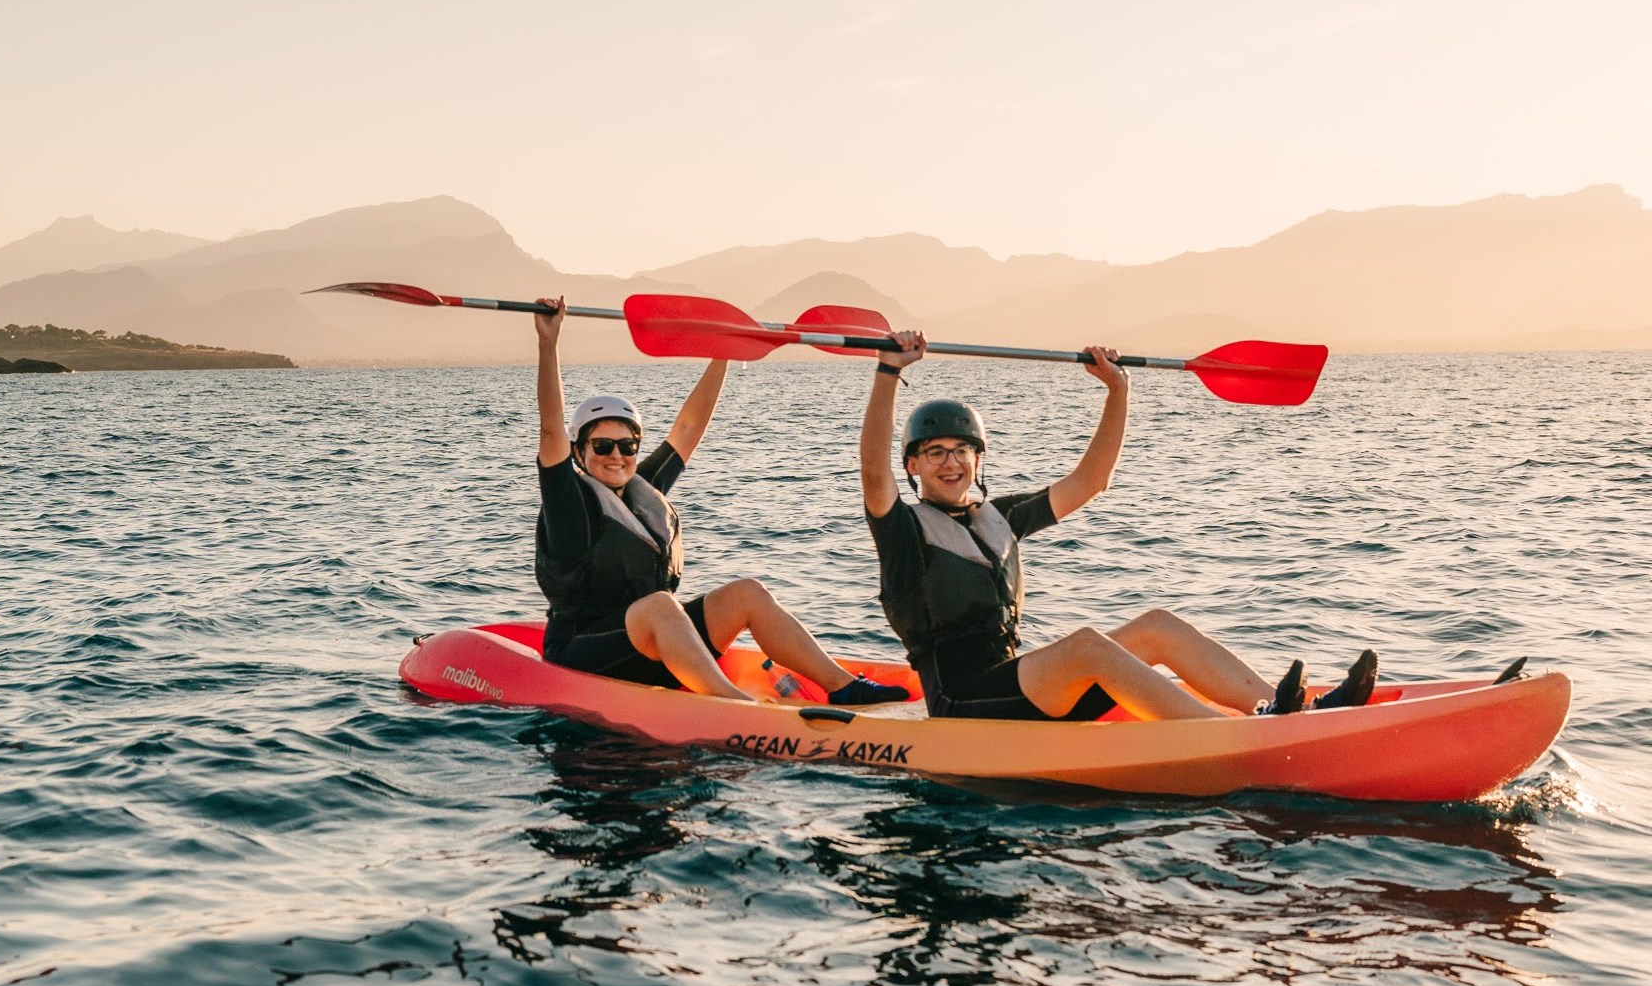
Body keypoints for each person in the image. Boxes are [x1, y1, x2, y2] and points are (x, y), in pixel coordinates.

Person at [858, 329, 1378, 721]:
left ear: (978, 459)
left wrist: (1117, 390)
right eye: (935, 453)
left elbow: (1092, 479)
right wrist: (888, 372)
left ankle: (1290, 712)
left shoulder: (1000, 518)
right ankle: (1236, 733)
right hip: (962, 700)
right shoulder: (902, 529)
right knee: (1085, 644)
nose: (951, 463)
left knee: (1157, 626)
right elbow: (873, 473)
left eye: (963, 451)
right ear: (914, 465)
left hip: (1020, 686)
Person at [533, 297, 907, 705]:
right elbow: (551, 431)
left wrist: (724, 352)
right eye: (602, 446)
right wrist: (549, 343)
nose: (616, 456)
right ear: (580, 452)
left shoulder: (639, 492)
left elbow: (689, 427)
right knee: (661, 605)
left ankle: (842, 686)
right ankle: (734, 705)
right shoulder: (567, 503)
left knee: (748, 593)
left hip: (649, 647)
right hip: (582, 653)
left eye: (628, 445)